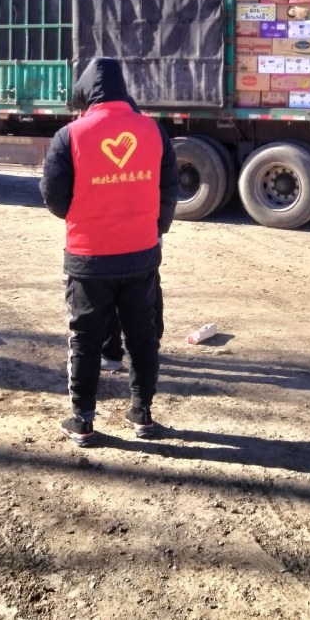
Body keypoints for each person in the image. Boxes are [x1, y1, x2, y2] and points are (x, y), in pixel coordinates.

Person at [40, 57, 178, 445]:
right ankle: (143, 417)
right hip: (141, 255)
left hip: (89, 258)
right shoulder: (153, 131)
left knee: (84, 338)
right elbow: (168, 191)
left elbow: (53, 197)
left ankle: (82, 422)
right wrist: (154, 229)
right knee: (142, 336)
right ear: (125, 91)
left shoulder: (70, 136)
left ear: (85, 93)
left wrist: (85, 214)